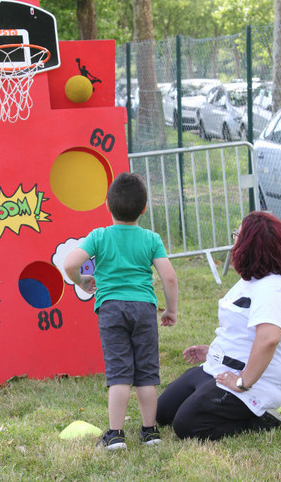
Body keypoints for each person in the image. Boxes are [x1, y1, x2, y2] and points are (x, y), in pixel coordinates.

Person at [64, 172, 178, 450]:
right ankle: (150, 432)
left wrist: (83, 281)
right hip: (144, 309)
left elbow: (69, 264)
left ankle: (115, 435)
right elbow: (170, 277)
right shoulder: (151, 239)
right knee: (147, 373)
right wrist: (170, 310)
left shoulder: (99, 237)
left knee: (119, 374)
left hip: (111, 309)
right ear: (144, 208)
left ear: (107, 205)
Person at [156, 211, 281, 441]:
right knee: (162, 412)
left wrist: (243, 382)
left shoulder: (273, 286)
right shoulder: (249, 280)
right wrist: (214, 352)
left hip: (256, 382)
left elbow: (268, 339)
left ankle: (262, 419)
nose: (234, 240)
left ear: (251, 244)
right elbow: (241, 332)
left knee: (186, 426)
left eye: (237, 234)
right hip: (218, 368)